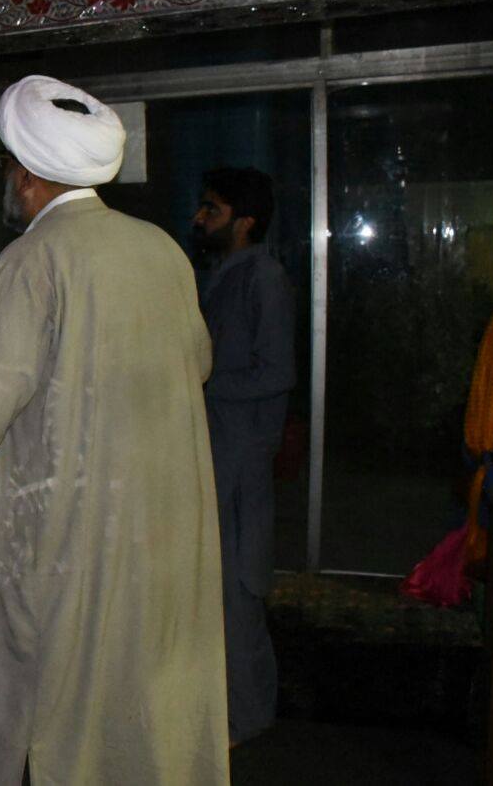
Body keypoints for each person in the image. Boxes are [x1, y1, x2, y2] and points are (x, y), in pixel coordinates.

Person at [0, 75, 229, 786]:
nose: (8, 179)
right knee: (139, 702)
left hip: (64, 533)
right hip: (154, 526)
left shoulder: (36, 257)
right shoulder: (161, 251)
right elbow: (197, 363)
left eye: (8, 164)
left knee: (41, 702)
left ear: (28, 174)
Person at [190, 167, 295, 746]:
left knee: (239, 595)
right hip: (215, 457)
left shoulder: (264, 278)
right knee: (216, 595)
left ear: (246, 221)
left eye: (213, 209)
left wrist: (201, 384)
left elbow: (277, 373)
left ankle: (250, 720)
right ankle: (226, 711)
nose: (200, 218)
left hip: (242, 464)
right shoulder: (223, 275)